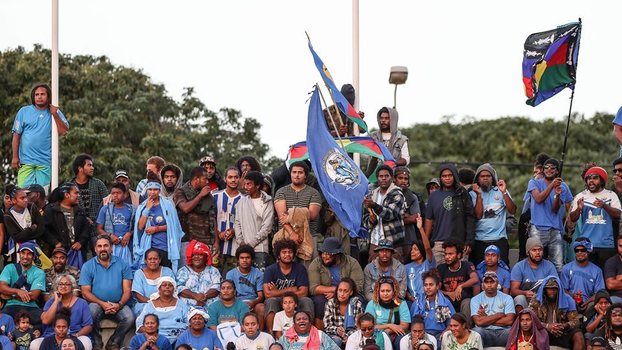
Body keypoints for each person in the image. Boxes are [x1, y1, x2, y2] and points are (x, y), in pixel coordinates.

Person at [79, 235, 134, 350]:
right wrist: (102, 303)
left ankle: (114, 343)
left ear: (111, 247)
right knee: (90, 312)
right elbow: (85, 292)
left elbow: (127, 290)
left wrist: (119, 304)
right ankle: (97, 343)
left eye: (106, 245)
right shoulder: (88, 266)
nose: (103, 249)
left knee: (129, 317)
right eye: (99, 246)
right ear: (95, 249)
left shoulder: (122, 264)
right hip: (97, 303)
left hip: (117, 303)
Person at [11, 83, 69, 188]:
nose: (39, 97)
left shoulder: (55, 112)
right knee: (24, 194)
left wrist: (55, 114)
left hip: (45, 163)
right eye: (37, 94)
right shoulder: (24, 111)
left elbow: (64, 131)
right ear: (33, 97)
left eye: (42, 94)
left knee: (41, 196)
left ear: (48, 96)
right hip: (25, 162)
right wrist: (15, 157)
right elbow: (16, 135)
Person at [527, 158, 573, 272]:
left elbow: (555, 209)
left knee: (558, 265)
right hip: (537, 228)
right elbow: (538, 199)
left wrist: (557, 195)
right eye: (546, 167)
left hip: (555, 229)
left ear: (557, 171)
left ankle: (558, 287)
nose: (549, 170)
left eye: (552, 168)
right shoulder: (534, 182)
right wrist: (552, 185)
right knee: (535, 261)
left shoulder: (563, 186)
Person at [569, 166, 622, 266]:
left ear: (602, 181)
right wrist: (579, 208)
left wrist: (604, 206)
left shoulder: (611, 195)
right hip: (586, 244)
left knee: (605, 276)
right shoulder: (581, 196)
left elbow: (618, 215)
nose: (591, 181)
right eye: (588, 178)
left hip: (606, 245)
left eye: (594, 178)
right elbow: (573, 218)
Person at [424, 164, 475, 264]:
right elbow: (429, 219)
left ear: (455, 176)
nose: (447, 178)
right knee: (437, 276)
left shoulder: (462, 193)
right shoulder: (434, 196)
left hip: (459, 243)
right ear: (441, 177)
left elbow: (470, 218)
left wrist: (469, 241)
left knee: (459, 277)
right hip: (438, 244)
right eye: (444, 176)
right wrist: (426, 242)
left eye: (450, 175)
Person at [309, 237, 364, 328]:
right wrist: (336, 291)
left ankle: (354, 332)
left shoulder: (352, 263)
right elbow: (313, 288)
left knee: (359, 300)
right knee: (318, 302)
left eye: (328, 254)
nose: (324, 256)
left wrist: (339, 292)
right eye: (323, 253)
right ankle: (321, 334)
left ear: (337, 254)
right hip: (326, 294)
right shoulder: (316, 263)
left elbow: (358, 286)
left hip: (348, 293)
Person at [263, 239, 314, 332]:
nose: (287, 254)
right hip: (278, 300)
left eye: (290, 252)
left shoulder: (300, 268)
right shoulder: (270, 270)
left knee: (307, 301)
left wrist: (276, 291)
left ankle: (308, 332)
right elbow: (267, 294)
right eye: (284, 252)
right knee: (270, 302)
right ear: (279, 254)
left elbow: (303, 293)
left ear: (294, 254)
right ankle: (271, 335)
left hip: (295, 300)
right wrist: (290, 289)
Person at [133, 177, 184, 271]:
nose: (152, 192)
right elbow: (140, 227)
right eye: (150, 189)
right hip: (148, 248)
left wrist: (156, 229)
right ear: (146, 190)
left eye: (155, 189)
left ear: (159, 190)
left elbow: (174, 227)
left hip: (165, 247)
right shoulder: (142, 207)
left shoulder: (168, 205)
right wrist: (147, 209)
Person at [469, 163, 516, 265]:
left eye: (488, 176)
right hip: (479, 241)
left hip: (499, 239)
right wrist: (478, 195)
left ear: (493, 178)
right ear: (478, 179)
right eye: (482, 176)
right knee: (479, 272)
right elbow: (478, 215)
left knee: (502, 269)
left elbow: (512, 210)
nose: (485, 178)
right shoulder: (472, 194)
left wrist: (504, 192)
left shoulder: (500, 191)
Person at [173, 166, 217, 268]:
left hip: (206, 241)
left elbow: (212, 218)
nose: (207, 182)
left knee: (206, 272)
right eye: (204, 179)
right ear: (196, 179)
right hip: (188, 241)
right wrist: (200, 196)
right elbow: (185, 208)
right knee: (186, 271)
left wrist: (216, 242)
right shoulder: (181, 192)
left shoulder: (208, 196)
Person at [273, 161, 322, 250]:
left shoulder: (314, 193)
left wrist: (289, 215)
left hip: (309, 236)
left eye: (300, 172)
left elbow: (312, 216)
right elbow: (282, 217)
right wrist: (292, 233)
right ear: (290, 174)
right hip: (285, 236)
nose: (297, 175)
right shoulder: (281, 192)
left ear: (306, 175)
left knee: (308, 264)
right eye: (294, 172)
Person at [37, 274, 92, 350]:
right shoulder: (51, 302)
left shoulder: (82, 303)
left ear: (72, 287)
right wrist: (56, 301)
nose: (63, 286)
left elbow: (88, 326)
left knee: (86, 342)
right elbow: (45, 321)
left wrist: (76, 336)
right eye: (61, 284)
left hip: (74, 335)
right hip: (52, 336)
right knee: (35, 344)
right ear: (57, 287)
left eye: (67, 284)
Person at [363, 165, 406, 262]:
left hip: (393, 242)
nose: (383, 178)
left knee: (396, 274)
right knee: (373, 274)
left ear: (391, 178)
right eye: (381, 176)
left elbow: (390, 214)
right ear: (377, 178)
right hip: (375, 242)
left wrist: (374, 205)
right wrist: (370, 221)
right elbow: (365, 219)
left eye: (386, 176)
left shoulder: (397, 194)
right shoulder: (371, 195)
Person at [528, 276, 583, 350]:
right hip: (542, 331)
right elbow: (530, 319)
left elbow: (576, 321)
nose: (552, 291)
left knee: (578, 335)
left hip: (561, 331)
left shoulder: (567, 299)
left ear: (559, 289)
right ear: (545, 289)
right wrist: (547, 326)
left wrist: (564, 326)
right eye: (549, 288)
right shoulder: (536, 300)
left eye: (554, 288)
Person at [0, 242, 45, 329]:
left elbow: (33, 296)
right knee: (3, 321)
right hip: (11, 306)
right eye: (23, 253)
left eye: (29, 254)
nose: (25, 256)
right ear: (19, 254)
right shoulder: (9, 268)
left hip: (31, 307)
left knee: (43, 321)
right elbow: (2, 288)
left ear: (34, 256)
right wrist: (18, 291)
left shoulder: (39, 272)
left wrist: (10, 295)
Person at [234, 170, 274, 269]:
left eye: (249, 184)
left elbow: (267, 227)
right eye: (245, 184)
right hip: (242, 249)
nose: (245, 187)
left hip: (260, 249)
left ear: (257, 186)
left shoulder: (267, 202)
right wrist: (240, 241)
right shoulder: (241, 202)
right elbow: (237, 223)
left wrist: (251, 244)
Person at [44, 182, 91, 264]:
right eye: (76, 193)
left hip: (76, 254)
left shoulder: (80, 211)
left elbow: (86, 228)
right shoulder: (51, 210)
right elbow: (44, 229)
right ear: (67, 195)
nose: (78, 196)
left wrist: (80, 242)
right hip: (57, 254)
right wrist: (55, 243)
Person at [136, 277, 189, 344]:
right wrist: (151, 335)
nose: (167, 287)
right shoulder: (150, 305)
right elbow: (139, 323)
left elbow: (189, 322)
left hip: (178, 340)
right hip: (155, 340)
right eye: (164, 285)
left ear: (174, 289)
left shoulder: (181, 304)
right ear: (159, 289)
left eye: (170, 285)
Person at [510, 237, 558, 310]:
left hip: (544, 299)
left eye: (540, 250)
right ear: (528, 252)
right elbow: (513, 290)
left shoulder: (549, 266)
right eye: (534, 250)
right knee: (519, 299)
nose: (538, 252)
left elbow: (556, 285)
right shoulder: (519, 267)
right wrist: (525, 293)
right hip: (527, 299)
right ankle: (521, 320)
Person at [437, 239, 480, 319]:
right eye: (445, 254)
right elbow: (436, 288)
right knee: (441, 301)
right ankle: (443, 328)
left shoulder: (467, 265)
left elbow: (475, 279)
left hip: (463, 301)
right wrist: (448, 293)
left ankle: (466, 328)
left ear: (459, 255)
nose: (447, 257)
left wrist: (461, 286)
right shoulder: (441, 268)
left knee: (467, 302)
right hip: (448, 301)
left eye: (450, 254)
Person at [470, 271, 515, 347]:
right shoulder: (475, 299)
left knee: (513, 331)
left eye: (492, 282)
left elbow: (509, 321)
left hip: (503, 332)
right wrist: (498, 315)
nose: (489, 285)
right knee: (476, 332)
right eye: (486, 282)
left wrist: (486, 318)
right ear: (483, 285)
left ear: (497, 283)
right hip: (484, 332)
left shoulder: (507, 298)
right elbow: (478, 322)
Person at [560, 238, 606, 312]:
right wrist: (573, 296)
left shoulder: (597, 271)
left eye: (583, 250)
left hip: (590, 304)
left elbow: (599, 293)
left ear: (588, 251)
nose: (579, 252)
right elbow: (563, 290)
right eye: (577, 250)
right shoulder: (566, 268)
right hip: (570, 302)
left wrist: (586, 303)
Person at [364, 276, 411, 349]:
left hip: (396, 334)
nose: (385, 293)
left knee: (402, 340)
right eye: (382, 291)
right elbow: (369, 326)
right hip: (375, 334)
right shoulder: (372, 303)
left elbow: (404, 325)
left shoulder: (400, 303)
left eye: (388, 291)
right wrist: (390, 326)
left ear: (393, 291)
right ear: (378, 291)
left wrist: (389, 331)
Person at [225, 244, 265, 328]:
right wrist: (240, 304)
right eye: (242, 258)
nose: (244, 260)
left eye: (247, 258)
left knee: (261, 307)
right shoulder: (230, 274)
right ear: (238, 260)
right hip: (236, 301)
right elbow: (229, 295)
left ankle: (260, 333)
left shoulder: (259, 274)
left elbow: (261, 296)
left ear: (252, 259)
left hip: (254, 302)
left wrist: (253, 302)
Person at [95, 182, 134, 266]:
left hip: (126, 246)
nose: (115, 195)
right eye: (113, 193)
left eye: (118, 193)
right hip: (111, 246)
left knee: (126, 268)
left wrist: (129, 234)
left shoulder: (132, 209)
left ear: (124, 194)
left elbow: (137, 227)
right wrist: (109, 235)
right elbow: (99, 228)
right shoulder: (105, 209)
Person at [71, 154, 108, 240]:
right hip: (77, 231)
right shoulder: (69, 186)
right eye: (89, 165)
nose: (92, 168)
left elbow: (107, 204)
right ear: (80, 168)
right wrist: (83, 218)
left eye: (92, 165)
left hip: (97, 230)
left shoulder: (98, 184)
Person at [409, 269, 454, 341]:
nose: (428, 287)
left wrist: (445, 332)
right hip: (422, 335)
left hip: (440, 335)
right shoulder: (418, 302)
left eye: (431, 284)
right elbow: (413, 323)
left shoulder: (445, 302)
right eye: (425, 285)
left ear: (437, 286)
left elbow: (452, 323)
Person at [213, 166, 242, 275]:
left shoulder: (244, 199)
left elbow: (244, 222)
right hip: (216, 246)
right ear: (225, 179)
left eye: (236, 177)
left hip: (235, 247)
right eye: (230, 177)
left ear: (239, 179)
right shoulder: (215, 196)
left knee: (231, 278)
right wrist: (218, 233)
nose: (233, 180)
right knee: (214, 276)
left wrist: (234, 231)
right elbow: (210, 219)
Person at [3, 186, 45, 262]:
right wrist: (31, 228)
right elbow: (17, 237)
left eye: (26, 197)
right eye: (22, 198)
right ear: (14, 200)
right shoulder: (8, 216)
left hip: (36, 248)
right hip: (18, 252)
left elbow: (41, 229)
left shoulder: (32, 207)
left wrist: (25, 234)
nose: (26, 200)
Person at [176, 240, 221, 308]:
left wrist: (204, 296)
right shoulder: (183, 270)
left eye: (200, 255)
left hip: (210, 309)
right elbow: (179, 288)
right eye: (194, 255)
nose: (196, 257)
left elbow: (217, 287)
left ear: (206, 257)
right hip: (187, 310)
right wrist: (194, 295)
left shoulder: (213, 271)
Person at [132, 248, 175, 316]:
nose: (152, 261)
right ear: (145, 261)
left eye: (155, 259)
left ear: (160, 260)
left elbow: (172, 290)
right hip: (145, 305)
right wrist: (155, 303)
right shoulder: (139, 273)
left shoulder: (167, 271)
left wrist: (162, 303)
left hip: (166, 304)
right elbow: (138, 296)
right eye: (150, 259)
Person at [393, 166, 424, 261]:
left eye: (406, 179)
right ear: (394, 179)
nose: (403, 181)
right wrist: (406, 215)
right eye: (400, 178)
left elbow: (416, 217)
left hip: (409, 238)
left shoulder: (412, 196)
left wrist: (397, 218)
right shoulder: (389, 194)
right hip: (394, 238)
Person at [206, 279, 249, 345]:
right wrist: (225, 337)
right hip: (218, 337)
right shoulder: (212, 307)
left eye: (229, 288)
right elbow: (212, 326)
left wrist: (231, 336)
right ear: (220, 292)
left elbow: (243, 326)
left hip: (239, 338)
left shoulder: (243, 306)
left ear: (234, 291)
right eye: (223, 288)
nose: (226, 291)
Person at [323, 278, 364, 347]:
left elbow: (359, 327)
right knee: (336, 341)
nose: (342, 294)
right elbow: (327, 326)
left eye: (345, 291)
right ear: (337, 291)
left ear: (351, 292)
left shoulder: (356, 304)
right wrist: (337, 330)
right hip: (334, 335)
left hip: (352, 335)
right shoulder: (330, 303)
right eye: (340, 290)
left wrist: (347, 336)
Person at [405, 217, 435, 307]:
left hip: (429, 300)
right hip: (412, 301)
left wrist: (421, 228)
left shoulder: (428, 263)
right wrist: (411, 298)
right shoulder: (406, 267)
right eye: (411, 249)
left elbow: (428, 248)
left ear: (422, 251)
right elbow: (404, 288)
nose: (412, 251)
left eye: (415, 249)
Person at [605, 236, 622, 303]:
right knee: (608, 303)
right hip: (617, 297)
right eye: (621, 246)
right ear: (617, 247)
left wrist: (619, 278)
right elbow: (610, 285)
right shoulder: (611, 262)